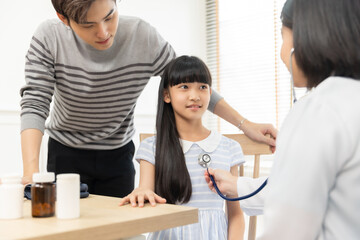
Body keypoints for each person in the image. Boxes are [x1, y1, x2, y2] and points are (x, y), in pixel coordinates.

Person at [20, 0, 277, 198]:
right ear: (63, 19)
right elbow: (35, 101)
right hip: (66, 151)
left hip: (118, 154)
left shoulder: (142, 36)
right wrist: (31, 169)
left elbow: (188, 84)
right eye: (88, 25)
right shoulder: (49, 38)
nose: (103, 32)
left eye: (109, 16)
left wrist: (245, 124)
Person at [205, 0, 360, 239]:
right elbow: (308, 189)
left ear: (307, 39)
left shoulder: (318, 111)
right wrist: (238, 186)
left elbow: (288, 228)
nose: (281, 53)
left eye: (283, 38)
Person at [119, 56, 245, 239]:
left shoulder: (229, 148)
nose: (195, 95)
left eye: (202, 87)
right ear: (166, 95)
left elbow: (236, 215)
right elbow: (145, 190)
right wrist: (141, 192)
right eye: (184, 87)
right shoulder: (152, 147)